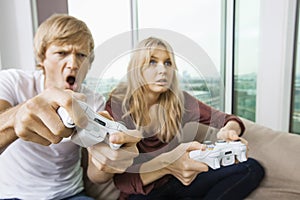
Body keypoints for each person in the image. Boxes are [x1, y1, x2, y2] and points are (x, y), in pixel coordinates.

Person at [88, 37, 265, 200]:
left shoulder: (180, 100)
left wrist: (229, 131)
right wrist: (167, 165)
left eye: (167, 63)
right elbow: (123, 181)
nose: (162, 70)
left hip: (177, 180)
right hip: (142, 192)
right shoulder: (117, 106)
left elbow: (228, 119)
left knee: (251, 167)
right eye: (152, 62)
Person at [0, 14, 139, 199]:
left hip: (71, 194)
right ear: (42, 58)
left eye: (81, 55)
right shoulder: (12, 82)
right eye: (61, 53)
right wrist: (17, 116)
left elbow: (95, 176)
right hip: (16, 196)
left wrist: (107, 162)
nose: (73, 64)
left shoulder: (94, 101)